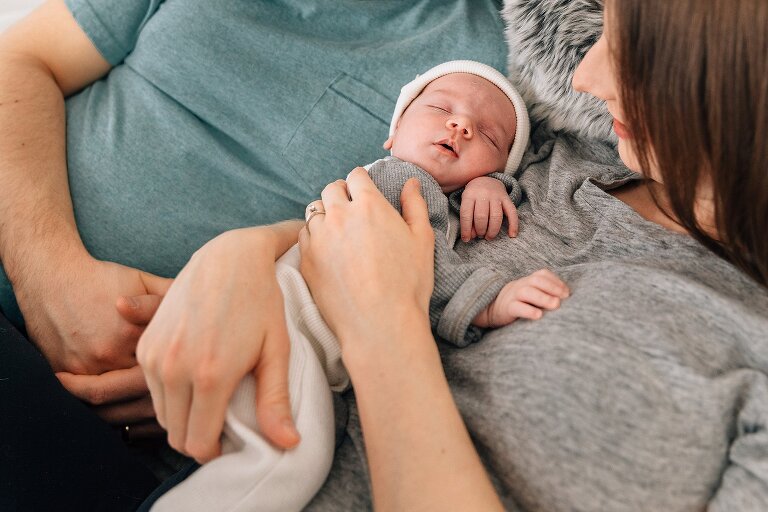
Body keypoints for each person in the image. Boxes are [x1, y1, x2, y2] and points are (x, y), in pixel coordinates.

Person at [136, 0, 768, 510]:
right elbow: (392, 216)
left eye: (635, 56)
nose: (584, 79)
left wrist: (382, 325)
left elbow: (386, 279)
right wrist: (240, 256)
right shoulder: (575, 154)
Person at [0, 0, 509, 509]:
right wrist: (49, 278)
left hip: (164, 428)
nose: (461, 126)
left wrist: (222, 347)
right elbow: (20, 58)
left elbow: (438, 246)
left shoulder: (496, 64)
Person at [149, 60, 571, 511]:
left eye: (488, 135)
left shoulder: (420, 192)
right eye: (440, 108)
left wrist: (493, 184)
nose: (461, 125)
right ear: (394, 133)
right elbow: (418, 271)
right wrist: (489, 300)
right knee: (289, 457)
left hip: (301, 332)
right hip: (291, 326)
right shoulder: (401, 183)